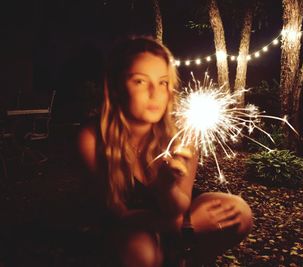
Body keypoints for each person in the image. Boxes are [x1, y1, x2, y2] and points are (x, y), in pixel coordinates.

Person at [78, 36, 253, 267]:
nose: (155, 93)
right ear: (117, 86)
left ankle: (189, 260)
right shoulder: (92, 138)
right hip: (127, 226)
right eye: (140, 81)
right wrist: (187, 225)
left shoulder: (180, 134)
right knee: (140, 251)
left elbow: (180, 203)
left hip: (173, 214)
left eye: (162, 82)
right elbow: (114, 213)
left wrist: (167, 186)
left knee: (239, 212)